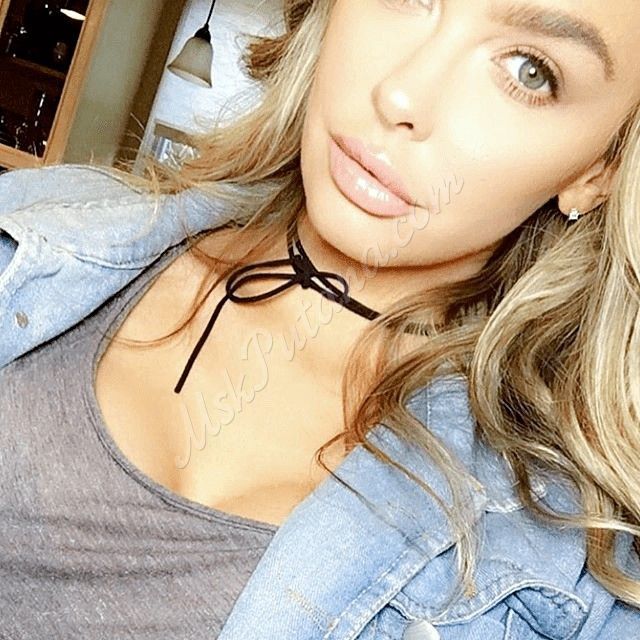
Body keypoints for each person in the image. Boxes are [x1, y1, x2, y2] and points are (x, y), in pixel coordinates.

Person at [1, 0, 639, 637]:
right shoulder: (41, 226)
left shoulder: (573, 589)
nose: (400, 94)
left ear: (599, 171)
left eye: (530, 71)